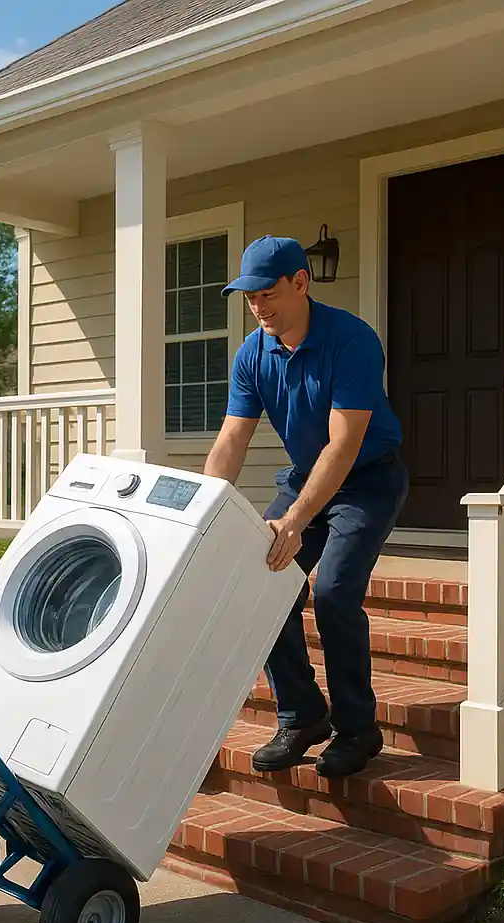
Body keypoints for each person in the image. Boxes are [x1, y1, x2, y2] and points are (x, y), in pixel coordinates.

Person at [203, 235, 408, 780]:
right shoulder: (253, 353)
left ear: (301, 282)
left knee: (335, 593)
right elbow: (231, 440)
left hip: (367, 481)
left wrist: (294, 521)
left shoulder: (351, 340)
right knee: (262, 585)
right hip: (304, 478)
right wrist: (201, 509)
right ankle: (302, 716)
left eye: (268, 292)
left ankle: (358, 728)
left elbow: (343, 446)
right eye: (249, 297)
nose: (259, 306)